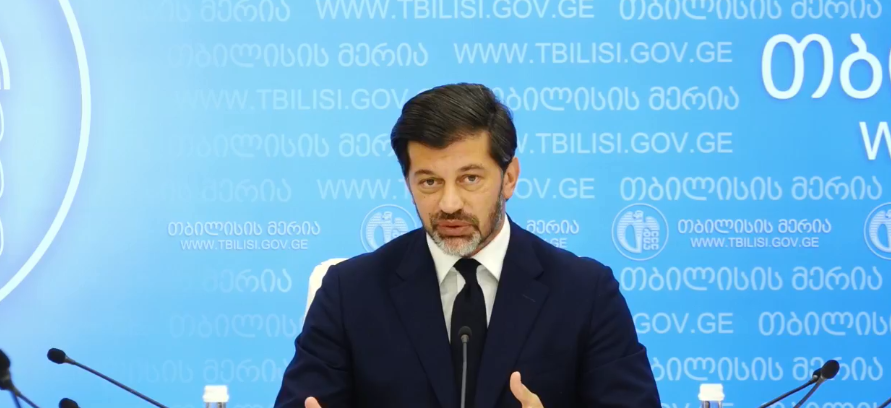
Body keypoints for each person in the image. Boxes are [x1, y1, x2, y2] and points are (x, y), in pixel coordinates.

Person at [274, 83, 661, 408]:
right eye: (429, 182)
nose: (449, 203)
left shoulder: (585, 292)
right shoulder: (349, 292)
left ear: (509, 178)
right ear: (408, 184)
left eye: (470, 178)